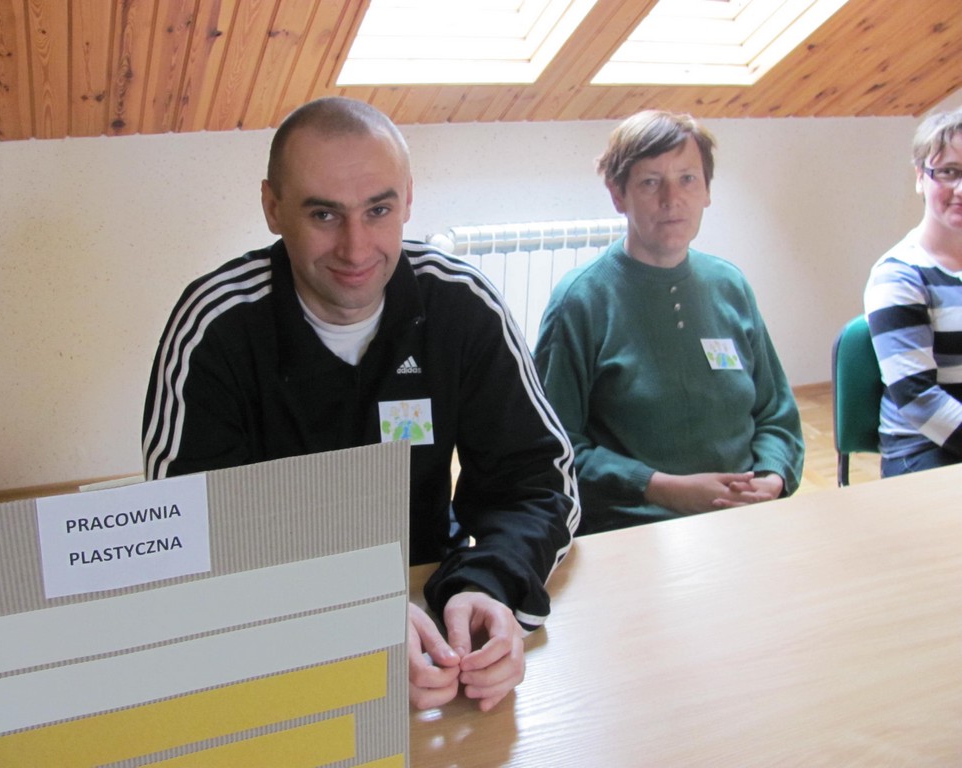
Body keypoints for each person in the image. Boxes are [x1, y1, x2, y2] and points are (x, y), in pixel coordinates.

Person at [142, 96, 579, 710]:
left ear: (408, 199)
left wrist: (489, 586)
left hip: (436, 630)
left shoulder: (462, 305)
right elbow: (186, 532)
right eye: (324, 214)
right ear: (272, 208)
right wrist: (346, 613)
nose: (355, 248)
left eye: (378, 210)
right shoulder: (215, 325)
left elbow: (537, 481)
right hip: (279, 643)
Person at [533, 109, 803, 534]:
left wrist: (772, 476)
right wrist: (661, 488)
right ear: (618, 195)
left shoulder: (730, 285)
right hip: (633, 530)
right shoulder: (580, 301)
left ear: (707, 190)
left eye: (687, 179)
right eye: (650, 182)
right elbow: (552, 449)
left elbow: (775, 415)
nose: (671, 199)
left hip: (744, 520)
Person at [864, 108, 962, 477]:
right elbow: (919, 400)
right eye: (949, 172)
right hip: (923, 449)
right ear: (921, 177)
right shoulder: (898, 275)